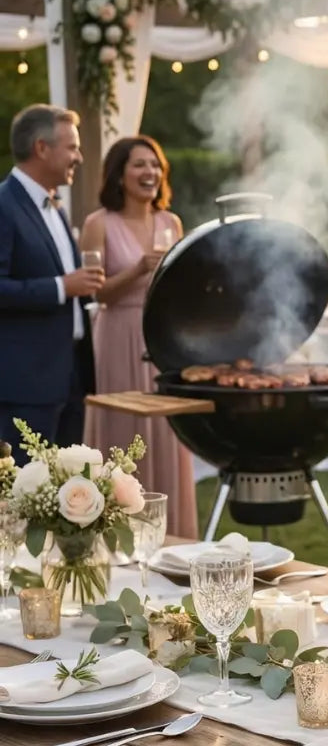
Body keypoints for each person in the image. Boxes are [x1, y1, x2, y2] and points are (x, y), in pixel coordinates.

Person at [80, 136, 196, 539]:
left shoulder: (171, 223)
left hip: (162, 336)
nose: (150, 172)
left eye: (155, 165)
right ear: (119, 174)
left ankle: (172, 533)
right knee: (122, 428)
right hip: (118, 333)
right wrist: (138, 269)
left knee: (165, 431)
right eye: (139, 165)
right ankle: (117, 532)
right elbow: (97, 293)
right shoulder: (98, 224)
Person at [0, 104, 103, 461]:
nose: (79, 157)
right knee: (23, 488)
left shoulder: (54, 205)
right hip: (25, 385)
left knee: (68, 486)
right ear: (42, 148)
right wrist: (62, 287)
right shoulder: (4, 205)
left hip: (69, 377)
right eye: (72, 147)